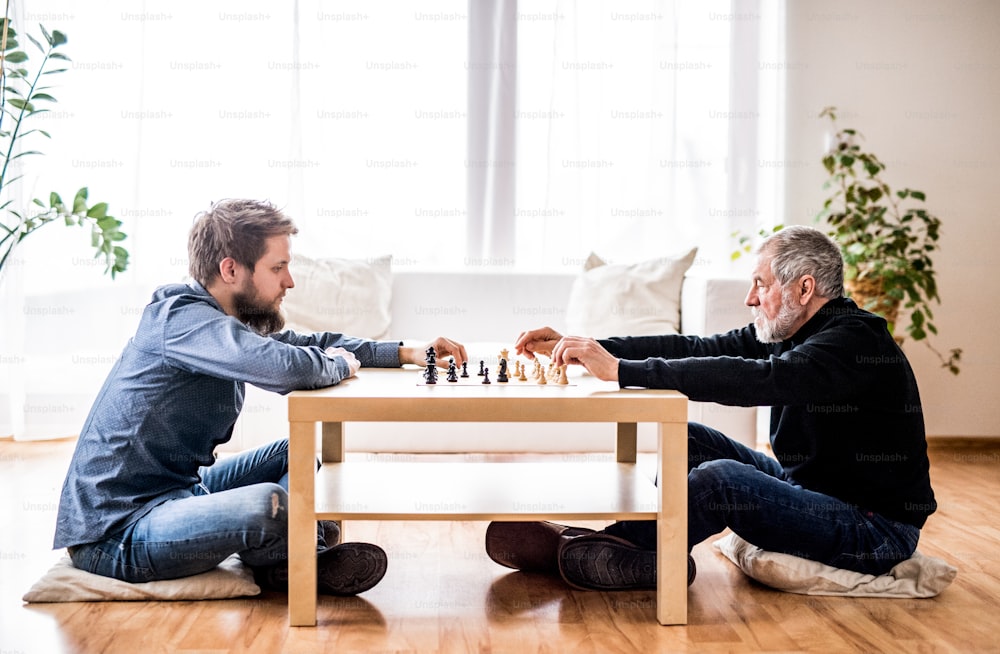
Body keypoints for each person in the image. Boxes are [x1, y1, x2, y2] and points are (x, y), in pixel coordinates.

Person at [485, 225, 936, 592]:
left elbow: (757, 380)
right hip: (811, 489)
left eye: (761, 283)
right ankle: (625, 548)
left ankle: (602, 549)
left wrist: (622, 371)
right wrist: (589, 346)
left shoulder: (853, 341)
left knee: (720, 481)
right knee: (687, 438)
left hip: (873, 530)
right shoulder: (795, 331)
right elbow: (695, 347)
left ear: (804, 288)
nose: (750, 298)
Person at [54, 199, 467, 596]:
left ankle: (292, 561)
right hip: (117, 531)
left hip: (181, 492)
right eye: (279, 267)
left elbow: (310, 343)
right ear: (231, 269)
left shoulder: (223, 321)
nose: (289, 281)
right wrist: (342, 365)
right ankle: (302, 556)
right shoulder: (181, 320)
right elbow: (288, 367)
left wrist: (403, 352)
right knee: (268, 505)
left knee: (300, 452)